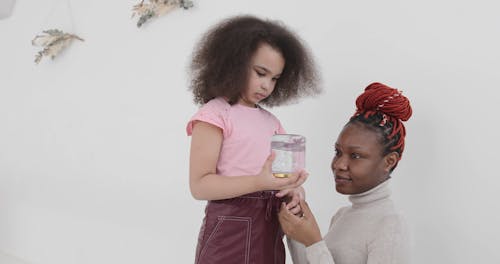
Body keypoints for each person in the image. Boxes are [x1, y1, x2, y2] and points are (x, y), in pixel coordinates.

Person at [186, 15, 320, 264]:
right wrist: (259, 182)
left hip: (270, 226)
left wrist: (294, 189)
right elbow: (200, 186)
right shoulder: (215, 115)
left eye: (275, 78)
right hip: (229, 228)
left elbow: (280, 178)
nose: (267, 85)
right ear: (234, 63)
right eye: (260, 73)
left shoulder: (272, 123)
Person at [279, 82, 412, 264]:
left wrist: (313, 242)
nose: (339, 164)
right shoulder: (341, 216)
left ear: (389, 161)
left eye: (355, 155)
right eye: (338, 152)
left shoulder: (390, 224)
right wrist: (297, 224)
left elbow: (317, 250)